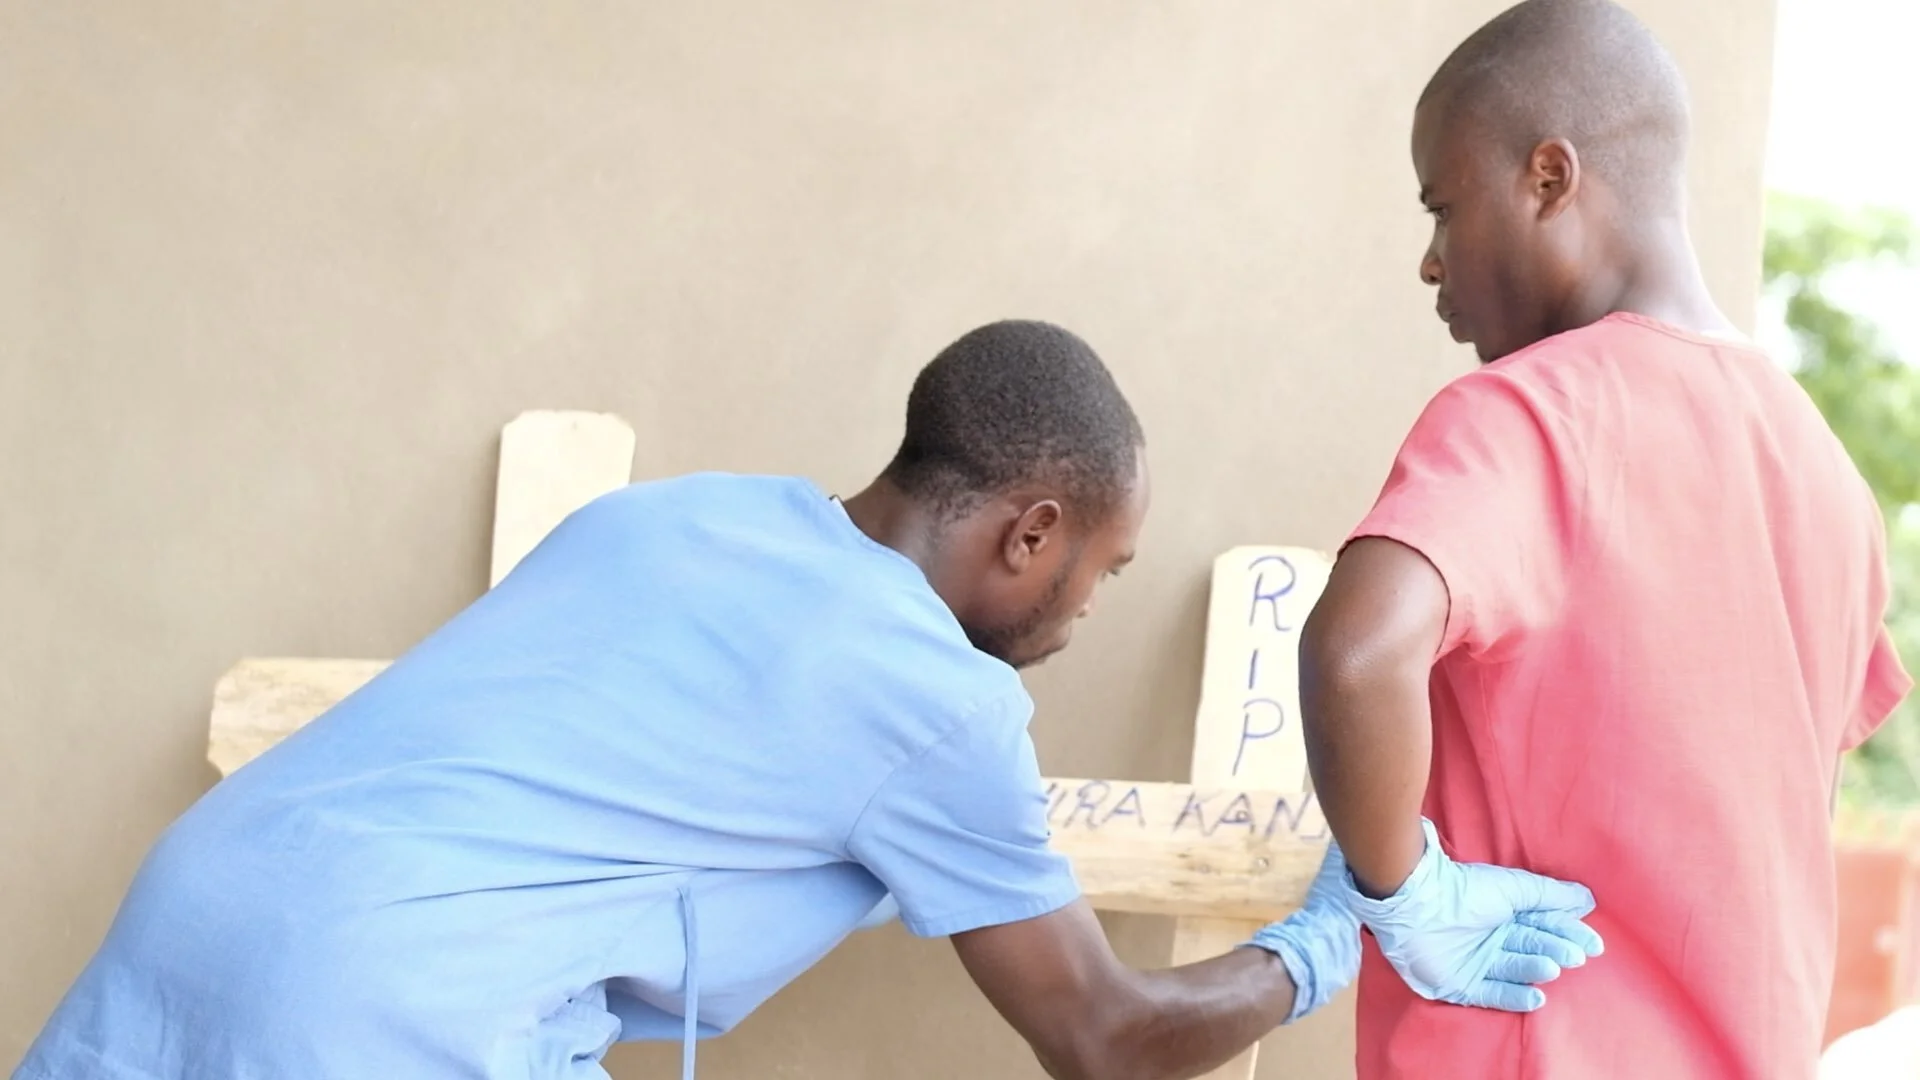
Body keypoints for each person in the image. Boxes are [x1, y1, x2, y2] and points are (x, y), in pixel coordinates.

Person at [16, 320, 1596, 1080]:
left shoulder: (669, 517)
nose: (1092, 610)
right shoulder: (932, 702)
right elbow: (1106, 1038)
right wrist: (1324, 942)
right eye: (1103, 570)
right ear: (1029, 532)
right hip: (363, 1028)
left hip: (196, 916)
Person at [1297, 2, 1916, 1078]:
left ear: (1549, 176)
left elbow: (1355, 655)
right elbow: (1790, 806)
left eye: (1444, 208)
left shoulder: (1527, 414)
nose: (1432, 263)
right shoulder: (1829, 478)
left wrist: (1406, 891)